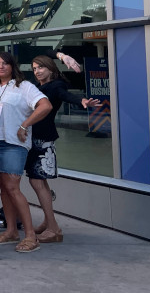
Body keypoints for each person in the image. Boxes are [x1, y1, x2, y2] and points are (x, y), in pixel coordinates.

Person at [28, 54, 101, 243]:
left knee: (38, 182)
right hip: (33, 138)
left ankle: (54, 229)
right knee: (39, 183)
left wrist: (81, 101)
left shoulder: (56, 85)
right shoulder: (39, 86)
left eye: (40, 68)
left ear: (50, 68)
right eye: (34, 68)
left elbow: (66, 95)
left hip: (43, 140)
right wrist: (62, 55)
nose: (37, 71)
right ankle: (47, 221)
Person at [0, 51, 52, 253]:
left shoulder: (24, 87)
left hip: (14, 143)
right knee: (4, 188)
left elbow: (45, 106)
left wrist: (25, 125)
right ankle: (12, 231)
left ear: (12, 66)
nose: (1, 67)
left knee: (13, 187)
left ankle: (31, 236)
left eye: (5, 63)